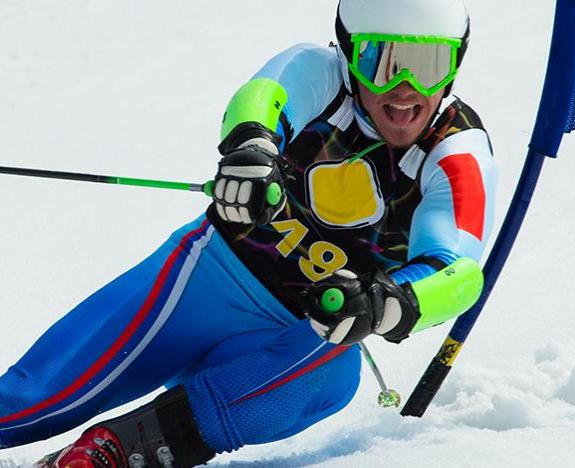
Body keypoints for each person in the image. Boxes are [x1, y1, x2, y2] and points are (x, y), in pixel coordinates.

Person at [0, 0, 497, 466]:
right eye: (382, 62)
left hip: (293, 337)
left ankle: (114, 453)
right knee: (38, 401)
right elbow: (263, 100)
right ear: (348, 54)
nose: (406, 88)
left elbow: (456, 271)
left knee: (333, 374)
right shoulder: (319, 74)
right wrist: (251, 151)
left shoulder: (454, 153)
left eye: (430, 64)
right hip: (205, 283)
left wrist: (388, 302)